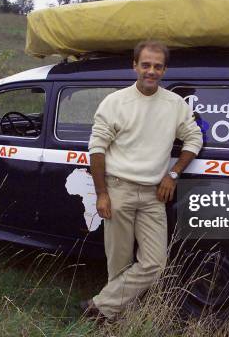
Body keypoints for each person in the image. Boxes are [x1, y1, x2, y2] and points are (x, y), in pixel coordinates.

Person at [82, 40, 203, 320]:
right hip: (118, 189)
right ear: (134, 65)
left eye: (157, 66)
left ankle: (98, 307)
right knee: (119, 263)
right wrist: (102, 194)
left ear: (164, 70)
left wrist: (173, 174)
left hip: (153, 195)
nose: (151, 71)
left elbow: (194, 137)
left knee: (155, 264)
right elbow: (97, 149)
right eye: (145, 65)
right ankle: (114, 318)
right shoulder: (115, 102)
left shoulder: (174, 104)